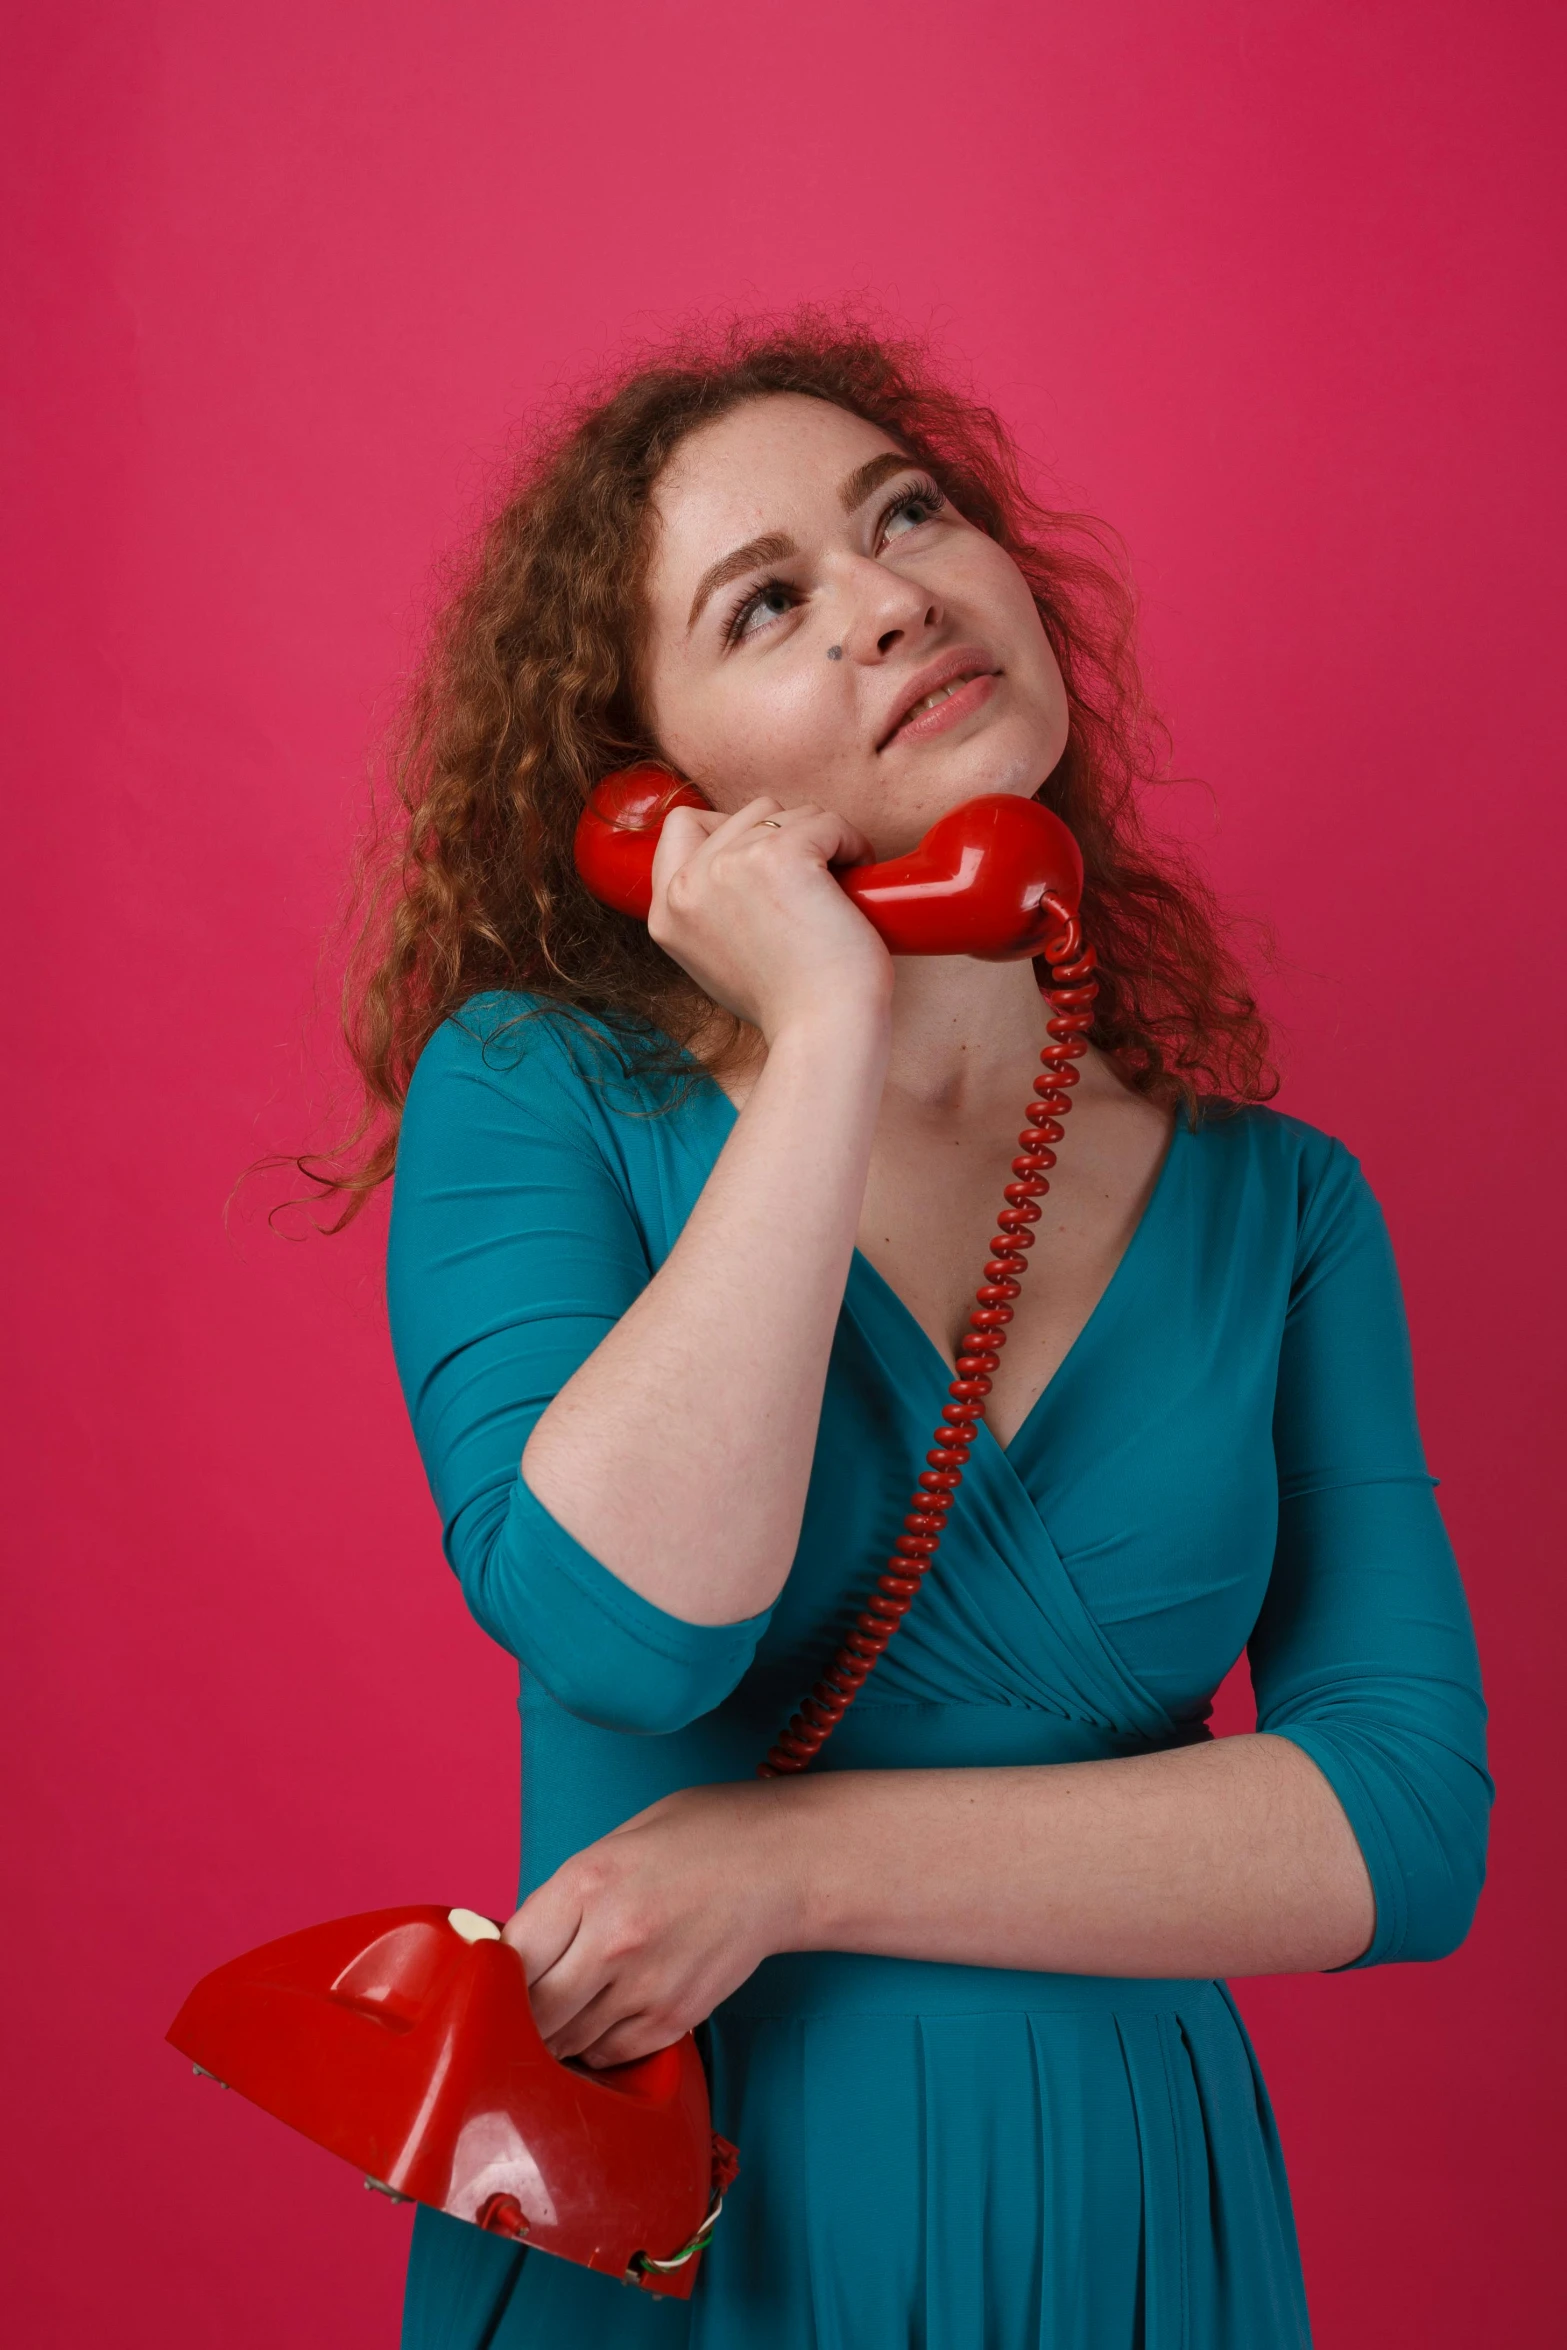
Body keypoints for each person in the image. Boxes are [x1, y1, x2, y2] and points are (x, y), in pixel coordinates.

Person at [318, 317, 1490, 2348]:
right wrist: (831, 1016)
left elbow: (1399, 1824)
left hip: (1132, 2220)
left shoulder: (1282, 1207)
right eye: (769, 603)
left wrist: (790, 1864)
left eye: (910, 515)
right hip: (686, 2227)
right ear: (656, 793)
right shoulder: (536, 1093)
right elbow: (632, 1618)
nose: (887, 598)